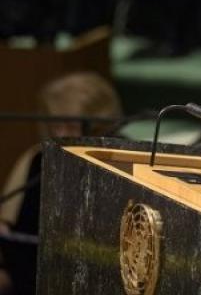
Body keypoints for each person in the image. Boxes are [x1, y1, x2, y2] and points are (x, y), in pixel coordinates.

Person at [0, 71, 122, 295]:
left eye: (70, 125)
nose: (61, 133)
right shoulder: (38, 159)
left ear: (99, 124)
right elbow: (8, 227)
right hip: (30, 278)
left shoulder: (124, 163)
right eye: (56, 124)